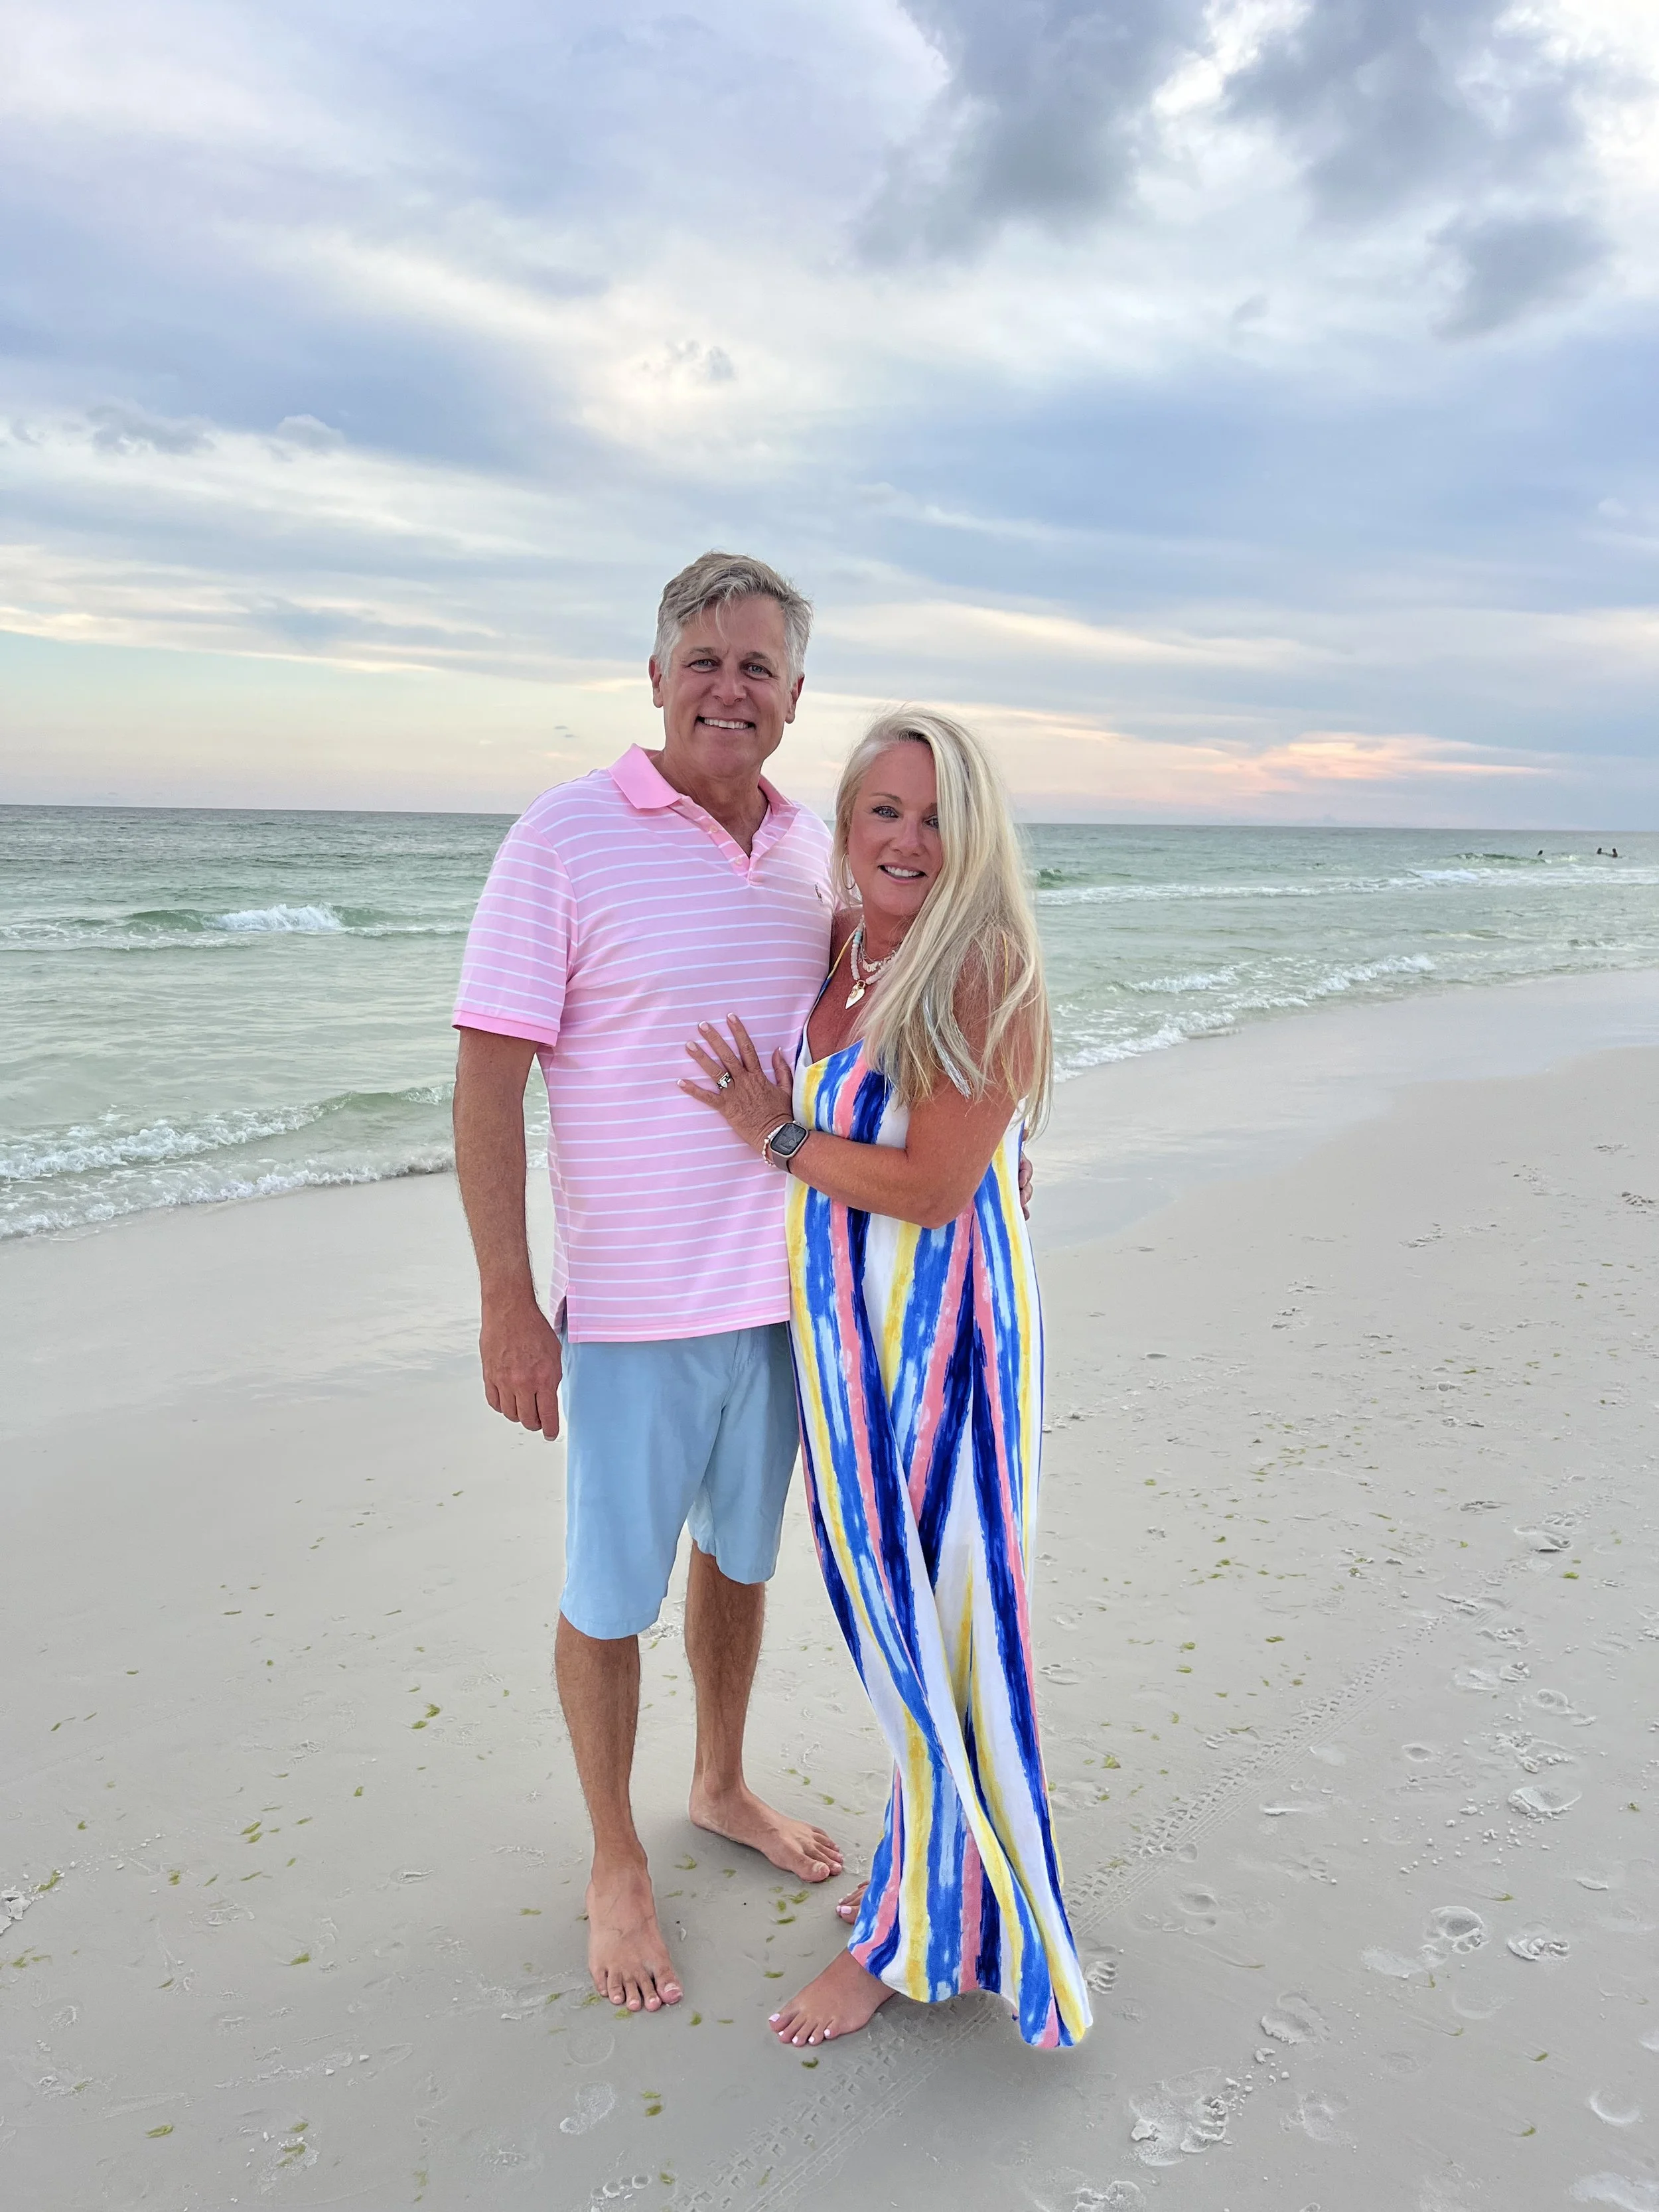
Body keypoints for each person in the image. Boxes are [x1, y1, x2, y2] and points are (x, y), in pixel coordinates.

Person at [450, 551, 845, 2018]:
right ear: (656, 677)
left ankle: (721, 1781)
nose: (728, 687)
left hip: (788, 1303)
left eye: (757, 666)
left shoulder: (817, 850)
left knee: (740, 1565)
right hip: (629, 1316)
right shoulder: (562, 835)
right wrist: (508, 1295)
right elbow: (490, 1073)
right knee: (609, 1592)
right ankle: (614, 1856)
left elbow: (873, 1041)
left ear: (794, 697)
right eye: (704, 660)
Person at [682, 710, 1092, 2051]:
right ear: (844, 824)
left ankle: (917, 1939)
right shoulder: (847, 948)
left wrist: (774, 1132)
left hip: (945, 1347)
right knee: (890, 1620)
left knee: (944, 1625)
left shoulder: (981, 964)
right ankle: (938, 1874)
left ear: (968, 837)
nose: (908, 839)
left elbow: (931, 1186)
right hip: (849, 1342)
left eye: (933, 816)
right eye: (884, 813)